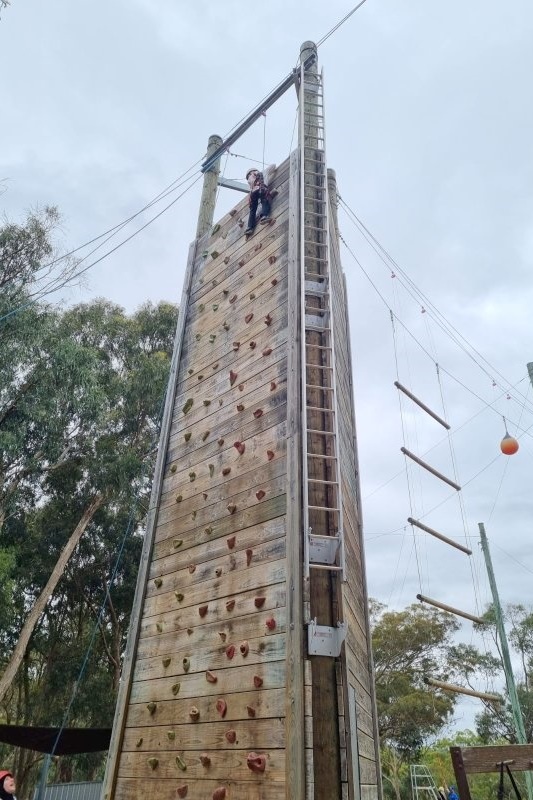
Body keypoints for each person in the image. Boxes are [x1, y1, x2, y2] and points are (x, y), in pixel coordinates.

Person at [244, 167, 272, 235]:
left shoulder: (249, 181)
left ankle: (249, 228)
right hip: (261, 188)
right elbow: (273, 166)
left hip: (253, 193)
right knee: (264, 201)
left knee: (252, 210)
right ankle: (264, 216)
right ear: (253, 171)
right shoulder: (260, 173)